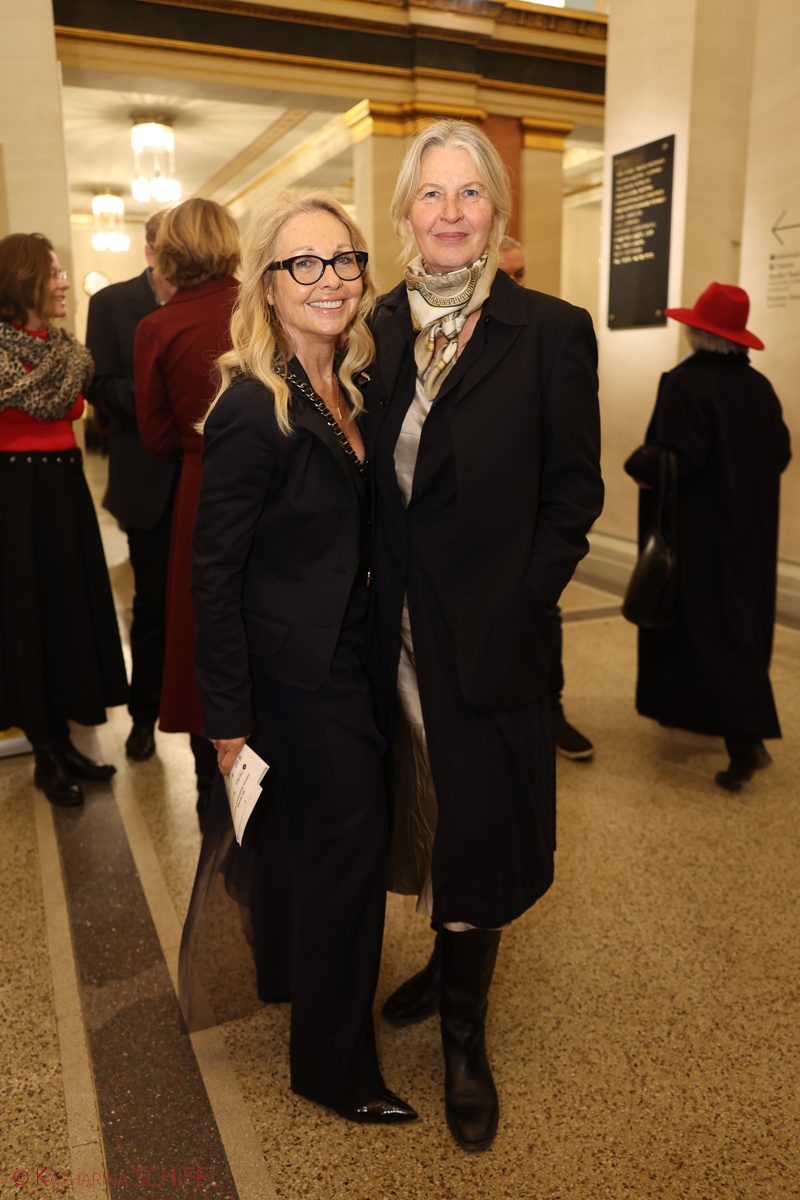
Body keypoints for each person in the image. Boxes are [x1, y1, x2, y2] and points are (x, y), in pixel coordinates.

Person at [362, 120, 604, 1151]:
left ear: (497, 212)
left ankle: (465, 1036)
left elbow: (573, 492)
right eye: (431, 193)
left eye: (469, 194)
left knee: (482, 823)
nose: (450, 212)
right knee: (414, 811)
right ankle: (436, 959)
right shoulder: (371, 327)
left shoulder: (549, 330)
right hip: (384, 634)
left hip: (489, 638)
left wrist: (523, 599)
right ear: (404, 213)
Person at [179, 191, 417, 1126]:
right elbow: (213, 575)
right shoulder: (252, 405)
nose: (329, 279)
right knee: (349, 856)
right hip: (295, 679)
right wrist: (228, 720)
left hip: (356, 654)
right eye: (303, 263)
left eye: (344, 259)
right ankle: (333, 1067)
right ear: (267, 287)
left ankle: (292, 981)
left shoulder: (355, 386)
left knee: (309, 850)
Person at [624, 282, 791, 791]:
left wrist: (642, 462)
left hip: (699, 533)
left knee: (709, 632)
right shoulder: (758, 385)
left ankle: (746, 742)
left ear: (698, 332)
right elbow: (780, 453)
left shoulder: (687, 381)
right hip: (751, 531)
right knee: (739, 625)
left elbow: (682, 457)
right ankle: (707, 717)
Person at [0, 233, 127, 805]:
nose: (64, 283)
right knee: (26, 619)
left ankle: (64, 741)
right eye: (53, 273)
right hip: (14, 497)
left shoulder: (68, 351)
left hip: (65, 490)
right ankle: (45, 752)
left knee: (66, 614)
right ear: (23, 280)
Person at [135, 198, 239, 825]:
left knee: (205, 623)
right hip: (282, 479)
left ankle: (211, 787)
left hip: (203, 484)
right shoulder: (264, 302)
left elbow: (153, 437)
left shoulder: (159, 325)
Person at [85, 210, 178, 763]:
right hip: (146, 480)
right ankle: (145, 716)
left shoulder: (216, 300)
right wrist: (159, 395)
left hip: (207, 478)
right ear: (149, 252)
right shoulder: (111, 303)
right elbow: (99, 385)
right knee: (152, 607)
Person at [498, 234, 595, 762]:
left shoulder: (553, 333)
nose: (513, 284)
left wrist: (539, 579)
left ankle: (551, 711)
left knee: (542, 628)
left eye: (520, 274)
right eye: (503, 274)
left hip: (530, 546)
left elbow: (576, 473)